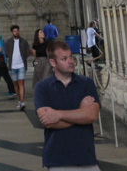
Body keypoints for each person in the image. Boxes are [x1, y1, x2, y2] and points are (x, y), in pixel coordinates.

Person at [34, 39, 101, 170]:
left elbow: (92, 115)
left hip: (86, 158)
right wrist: (81, 111)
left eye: (70, 56)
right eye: (64, 59)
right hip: (58, 160)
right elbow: (49, 122)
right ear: (53, 62)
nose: (70, 61)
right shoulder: (42, 87)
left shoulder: (86, 83)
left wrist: (58, 114)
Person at [7, 25, 30, 110]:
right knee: (15, 83)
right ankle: (19, 100)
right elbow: (6, 53)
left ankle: (22, 102)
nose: (16, 32)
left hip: (21, 65)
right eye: (14, 31)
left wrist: (22, 59)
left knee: (21, 83)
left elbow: (28, 52)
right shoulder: (9, 41)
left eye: (17, 31)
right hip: (13, 66)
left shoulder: (23, 41)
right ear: (12, 32)